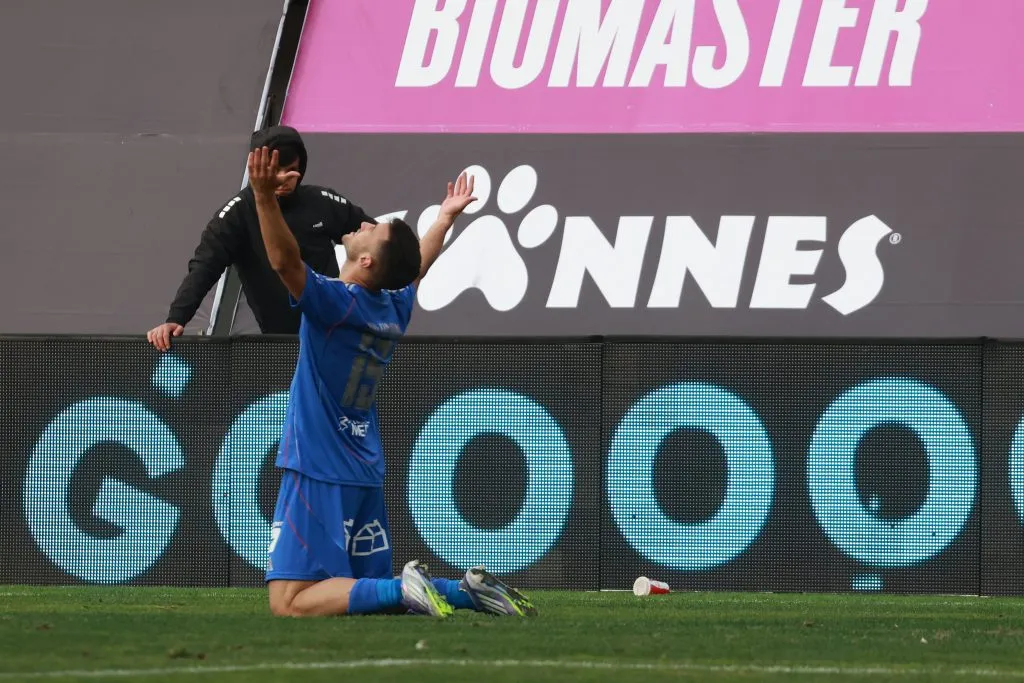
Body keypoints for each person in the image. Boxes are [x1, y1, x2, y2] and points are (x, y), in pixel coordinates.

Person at [247, 146, 536, 618]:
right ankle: (466, 591)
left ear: (365, 265)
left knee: (290, 602)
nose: (363, 224)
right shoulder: (392, 306)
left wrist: (263, 198)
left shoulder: (336, 304)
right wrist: (443, 219)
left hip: (319, 465)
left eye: (371, 230)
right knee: (361, 588)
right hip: (364, 467)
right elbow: (415, 267)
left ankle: (406, 590)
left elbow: (284, 263)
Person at [147, 125, 375, 350]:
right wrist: (176, 318)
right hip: (280, 343)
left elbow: (379, 242)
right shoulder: (236, 214)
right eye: (275, 171)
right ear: (257, 168)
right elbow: (204, 266)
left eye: (292, 170)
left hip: (335, 330)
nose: (284, 179)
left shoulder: (322, 201)